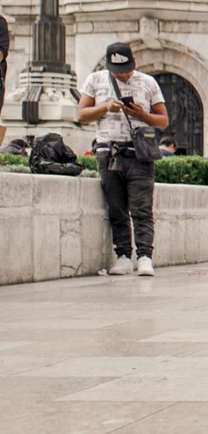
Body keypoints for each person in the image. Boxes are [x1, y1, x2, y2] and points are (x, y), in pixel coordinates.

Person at [76, 42, 170, 277]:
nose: (122, 75)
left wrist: (140, 114)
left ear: (134, 61)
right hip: (108, 152)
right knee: (116, 208)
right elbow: (81, 115)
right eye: (117, 70)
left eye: (126, 69)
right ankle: (123, 256)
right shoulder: (95, 80)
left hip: (139, 153)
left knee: (142, 208)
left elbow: (163, 120)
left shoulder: (148, 82)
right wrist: (106, 107)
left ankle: (145, 257)